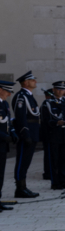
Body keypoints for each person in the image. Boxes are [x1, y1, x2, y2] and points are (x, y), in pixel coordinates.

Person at [12, 71, 41, 198]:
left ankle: (23, 187)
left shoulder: (29, 96)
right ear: (25, 82)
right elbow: (21, 117)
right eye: (32, 80)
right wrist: (25, 133)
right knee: (22, 162)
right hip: (26, 133)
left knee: (27, 161)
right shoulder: (21, 96)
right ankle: (20, 188)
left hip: (33, 131)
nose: (35, 81)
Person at [42, 81, 65, 190]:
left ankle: (63, 181)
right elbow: (45, 120)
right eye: (58, 89)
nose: (60, 91)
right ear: (53, 90)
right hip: (54, 135)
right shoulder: (48, 103)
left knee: (64, 160)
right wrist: (56, 123)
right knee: (54, 160)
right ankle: (55, 182)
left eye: (62, 89)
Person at [0, 80, 16, 210]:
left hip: (3, 145)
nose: (9, 94)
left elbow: (7, 123)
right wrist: (4, 136)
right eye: (7, 91)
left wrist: (13, 133)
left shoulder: (4, 104)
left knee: (1, 174)